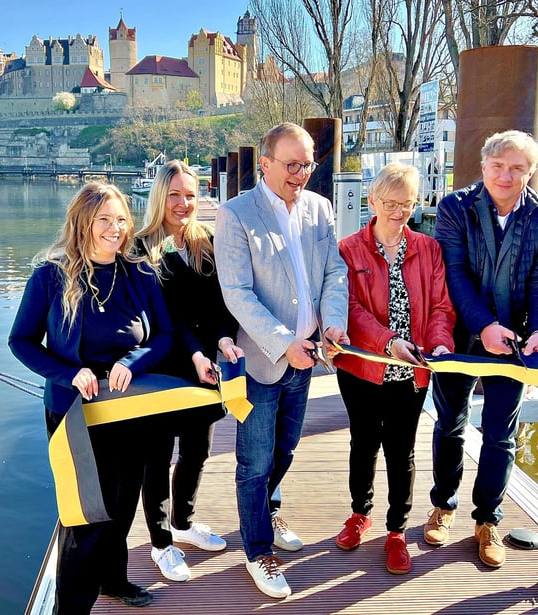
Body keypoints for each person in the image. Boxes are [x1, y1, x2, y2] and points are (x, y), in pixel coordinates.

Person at [8, 182, 173, 613]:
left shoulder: (140, 274)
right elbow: (22, 341)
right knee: (83, 516)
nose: (115, 229)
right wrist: (69, 372)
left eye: (121, 219)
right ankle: (72, 608)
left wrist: (133, 362)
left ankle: (113, 580)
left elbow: (164, 336)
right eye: (105, 220)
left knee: (121, 504)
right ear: (83, 223)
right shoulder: (50, 276)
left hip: (130, 409)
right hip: (73, 413)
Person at [214, 122, 349, 599]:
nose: (302, 174)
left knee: (286, 448)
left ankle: (269, 506)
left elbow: (334, 271)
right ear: (265, 164)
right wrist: (280, 341)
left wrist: (332, 323)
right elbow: (237, 293)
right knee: (253, 460)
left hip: (308, 357)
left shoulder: (319, 208)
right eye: (292, 165)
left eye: (308, 163)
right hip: (260, 362)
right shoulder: (235, 214)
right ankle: (258, 551)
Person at [427, 129, 538, 569]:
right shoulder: (454, 208)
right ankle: (443, 505)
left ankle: (487, 520)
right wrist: (483, 324)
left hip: (515, 342)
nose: (506, 175)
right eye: (499, 165)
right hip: (460, 336)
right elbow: (455, 274)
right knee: (450, 423)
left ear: (532, 172)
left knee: (502, 434)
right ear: (483, 165)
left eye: (517, 168)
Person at [332, 162, 456, 574]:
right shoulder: (349, 249)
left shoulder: (428, 248)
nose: (398, 211)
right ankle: (358, 513)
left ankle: (397, 530)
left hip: (412, 370)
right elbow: (348, 309)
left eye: (407, 203)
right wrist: (388, 341)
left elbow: (440, 306)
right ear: (372, 201)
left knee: (402, 450)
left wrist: (438, 342)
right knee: (363, 442)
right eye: (390, 202)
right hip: (363, 367)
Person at [136, 161, 243, 582]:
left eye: (191, 195)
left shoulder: (206, 242)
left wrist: (221, 341)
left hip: (207, 366)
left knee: (197, 451)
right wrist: (196, 352)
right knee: (157, 459)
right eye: (175, 194)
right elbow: (168, 316)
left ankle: (184, 522)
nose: (183, 203)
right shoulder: (142, 249)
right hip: (165, 367)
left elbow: (221, 304)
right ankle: (161, 543)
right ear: (160, 196)